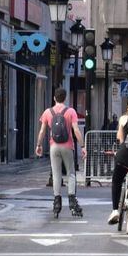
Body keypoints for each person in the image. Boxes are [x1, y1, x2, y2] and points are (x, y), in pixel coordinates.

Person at [36, 88, 86, 217]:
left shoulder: (48, 112)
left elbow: (42, 131)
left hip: (54, 146)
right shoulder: (70, 112)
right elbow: (76, 130)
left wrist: (39, 145)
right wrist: (82, 146)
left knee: (56, 174)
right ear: (65, 98)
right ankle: (72, 200)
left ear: (54, 98)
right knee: (71, 173)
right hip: (67, 146)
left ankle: (57, 202)